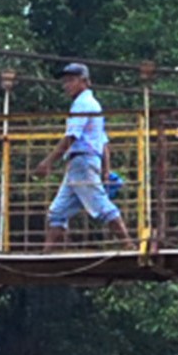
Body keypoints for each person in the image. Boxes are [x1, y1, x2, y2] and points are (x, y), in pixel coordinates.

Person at [46, 59, 123, 236]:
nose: (66, 85)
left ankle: (130, 244)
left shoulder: (82, 104)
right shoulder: (94, 104)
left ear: (85, 81)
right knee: (57, 212)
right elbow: (103, 142)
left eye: (71, 80)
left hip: (82, 161)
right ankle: (48, 253)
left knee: (102, 206)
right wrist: (105, 170)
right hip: (82, 162)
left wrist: (48, 162)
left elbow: (72, 136)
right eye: (65, 81)